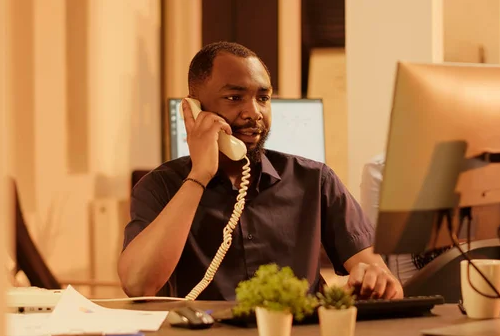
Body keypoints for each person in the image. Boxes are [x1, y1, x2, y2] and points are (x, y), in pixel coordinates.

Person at [118, 41, 403, 301]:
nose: (253, 112)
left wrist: (376, 281)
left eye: (263, 98)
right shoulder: (160, 187)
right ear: (193, 110)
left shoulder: (315, 180)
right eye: (234, 98)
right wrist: (199, 176)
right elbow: (138, 284)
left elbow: (380, 275)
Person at [360, 153, 453, 284]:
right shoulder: (380, 168)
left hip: (460, 279)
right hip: (406, 290)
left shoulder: (462, 162)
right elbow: (372, 247)